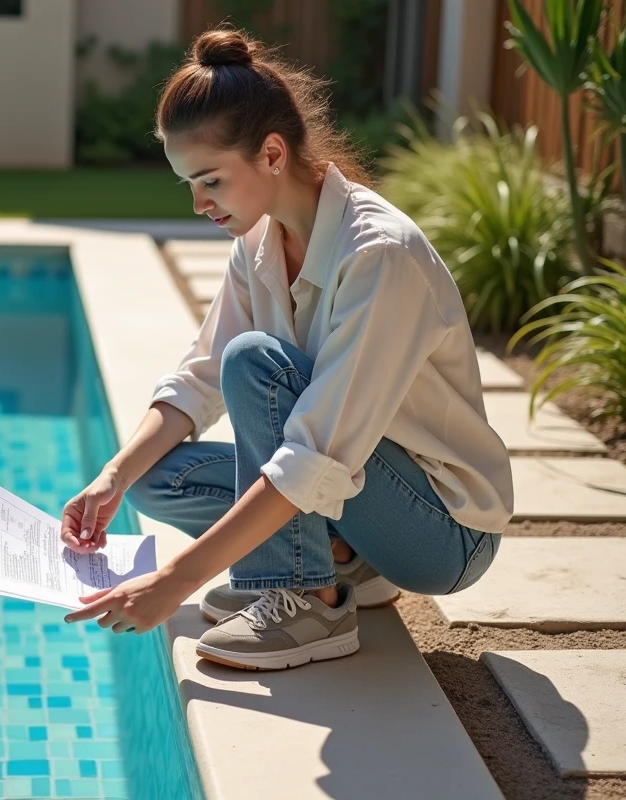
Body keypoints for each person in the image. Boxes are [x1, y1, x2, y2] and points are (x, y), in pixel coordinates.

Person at [59, 27, 513, 671]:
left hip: (442, 531)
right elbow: (200, 378)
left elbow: (315, 452)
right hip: (364, 499)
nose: (198, 203)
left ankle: (308, 600)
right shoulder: (259, 241)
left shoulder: (377, 254)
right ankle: (345, 559)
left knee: (257, 363)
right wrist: (111, 477)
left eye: (210, 179)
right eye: (189, 183)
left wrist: (175, 581)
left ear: (272, 154)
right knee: (158, 478)